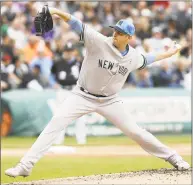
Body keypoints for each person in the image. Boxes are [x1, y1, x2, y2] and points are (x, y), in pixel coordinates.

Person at [5, 7, 190, 178]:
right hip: (82, 95)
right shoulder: (98, 40)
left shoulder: (133, 56)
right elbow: (76, 23)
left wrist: (170, 53)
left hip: (110, 101)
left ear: (129, 38)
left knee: (136, 132)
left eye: (120, 33)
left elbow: (149, 58)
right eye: (115, 30)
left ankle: (173, 157)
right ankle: (25, 165)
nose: (115, 34)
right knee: (55, 124)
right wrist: (55, 11)